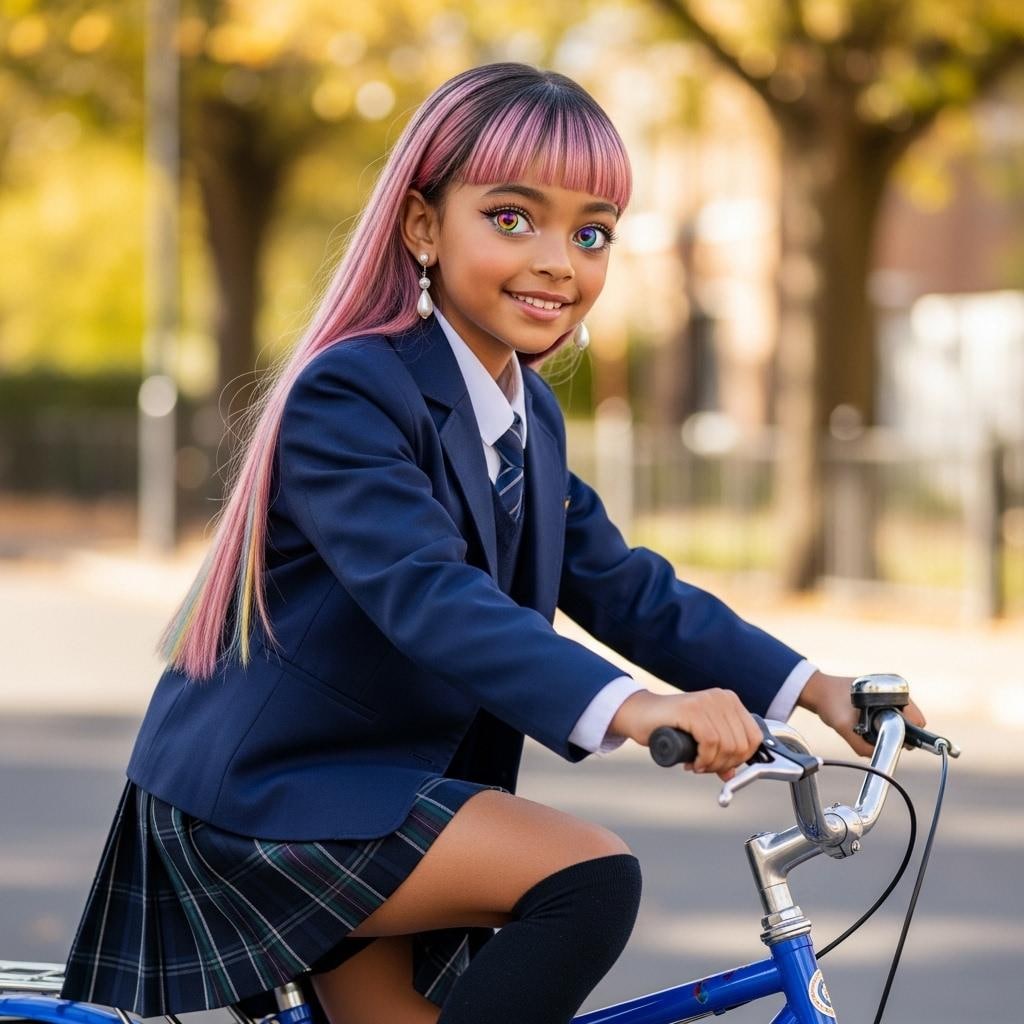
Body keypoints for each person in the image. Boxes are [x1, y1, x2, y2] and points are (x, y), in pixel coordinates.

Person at [60, 63, 925, 1024]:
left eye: (591, 233)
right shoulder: (352, 392)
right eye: (513, 219)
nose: (559, 259)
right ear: (422, 226)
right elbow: (428, 594)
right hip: (276, 798)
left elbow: (626, 587)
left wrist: (814, 690)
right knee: (589, 879)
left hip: (382, 787)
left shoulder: (529, 417)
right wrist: (635, 708)